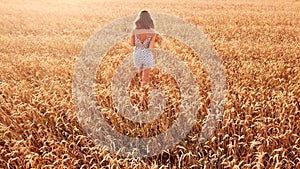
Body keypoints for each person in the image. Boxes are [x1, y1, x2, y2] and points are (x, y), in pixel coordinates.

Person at [131, 10, 157, 91]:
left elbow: (132, 44)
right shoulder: (152, 32)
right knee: (145, 79)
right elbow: (150, 48)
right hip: (147, 55)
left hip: (137, 55)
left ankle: (139, 94)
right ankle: (143, 96)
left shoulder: (134, 31)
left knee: (140, 76)